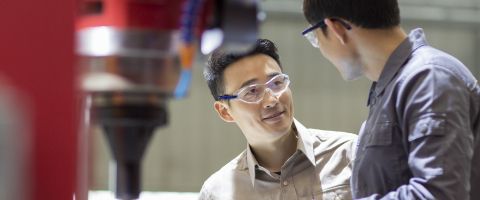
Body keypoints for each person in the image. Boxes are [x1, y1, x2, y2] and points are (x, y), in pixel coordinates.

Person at [301, 0, 480, 199]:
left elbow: (438, 193)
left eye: (315, 38)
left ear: (336, 29)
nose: (321, 49)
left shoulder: (429, 78)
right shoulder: (392, 87)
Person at [199, 39, 357, 200]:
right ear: (225, 111)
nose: (272, 100)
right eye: (252, 91)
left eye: (277, 83)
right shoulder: (217, 192)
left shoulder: (350, 155)